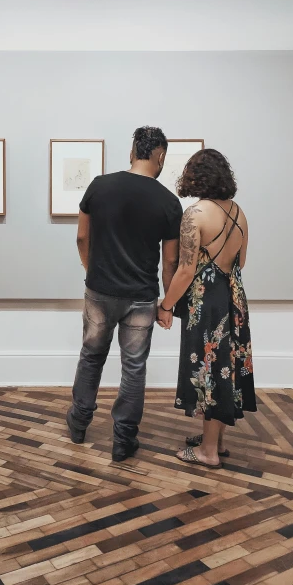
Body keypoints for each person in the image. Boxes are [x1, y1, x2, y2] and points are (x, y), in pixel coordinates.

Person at [66, 126, 183, 462]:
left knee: (91, 356)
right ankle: (123, 440)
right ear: (160, 156)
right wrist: (166, 305)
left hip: (100, 290)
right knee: (133, 368)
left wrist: (92, 271)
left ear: (133, 150)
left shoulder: (99, 186)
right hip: (142, 297)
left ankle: (79, 423)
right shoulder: (168, 203)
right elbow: (170, 261)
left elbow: (80, 238)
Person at [158, 149, 256, 469]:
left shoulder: (195, 214)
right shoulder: (240, 213)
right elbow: (241, 261)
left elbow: (185, 270)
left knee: (209, 372)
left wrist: (166, 305)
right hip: (234, 297)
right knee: (224, 369)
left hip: (207, 302)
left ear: (195, 177)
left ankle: (208, 453)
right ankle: (217, 441)